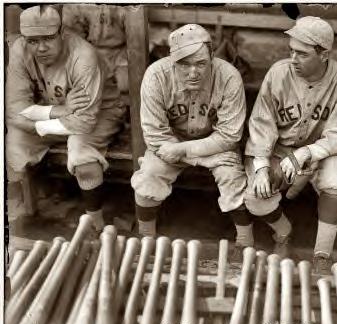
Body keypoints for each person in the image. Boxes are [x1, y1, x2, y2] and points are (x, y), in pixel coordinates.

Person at [244, 16, 337, 272]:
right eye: (291, 51)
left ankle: (322, 253)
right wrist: (262, 167)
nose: (293, 58)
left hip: (325, 151)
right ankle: (283, 232)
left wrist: (306, 153)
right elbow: (262, 123)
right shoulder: (279, 73)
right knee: (255, 194)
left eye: (303, 54)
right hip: (281, 149)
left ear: (324, 54)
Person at [6, 5, 126, 231]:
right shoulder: (19, 51)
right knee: (13, 142)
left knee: (82, 154)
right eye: (33, 41)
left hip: (100, 113)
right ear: (24, 39)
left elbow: (83, 121)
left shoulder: (83, 55)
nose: (41, 48)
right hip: (55, 112)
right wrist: (56, 111)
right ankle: (23, 213)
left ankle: (96, 223)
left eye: (49, 38)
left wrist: (38, 124)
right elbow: (14, 110)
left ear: (62, 33)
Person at [131, 24, 252, 244]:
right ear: (172, 60)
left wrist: (185, 151)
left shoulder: (229, 77)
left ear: (212, 56)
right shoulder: (156, 76)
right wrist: (191, 154)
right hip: (171, 142)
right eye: (184, 64)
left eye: (200, 63)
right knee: (149, 173)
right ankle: (146, 236)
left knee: (231, 176)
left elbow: (229, 136)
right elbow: (155, 136)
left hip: (215, 143)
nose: (193, 72)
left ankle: (245, 241)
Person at [62, 4, 128, 96]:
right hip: (91, 52)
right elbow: (73, 38)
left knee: (125, 83)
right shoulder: (76, 7)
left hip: (122, 53)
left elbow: (136, 37)